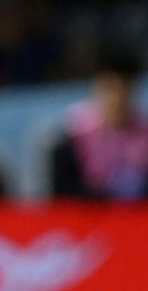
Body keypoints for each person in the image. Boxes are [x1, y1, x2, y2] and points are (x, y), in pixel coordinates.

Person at [51, 55, 148, 201]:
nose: (117, 99)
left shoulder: (144, 132)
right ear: (98, 91)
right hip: (91, 216)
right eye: (110, 90)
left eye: (124, 90)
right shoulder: (76, 135)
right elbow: (64, 192)